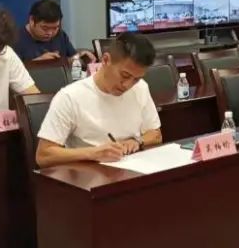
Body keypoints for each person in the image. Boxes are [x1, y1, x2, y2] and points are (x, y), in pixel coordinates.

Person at [35, 33, 163, 167]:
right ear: (106, 60)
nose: (127, 85)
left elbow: (155, 134)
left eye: (136, 79)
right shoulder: (70, 97)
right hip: (89, 172)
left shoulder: (140, 88)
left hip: (132, 168)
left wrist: (137, 141)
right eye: (125, 75)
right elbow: (43, 155)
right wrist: (92, 153)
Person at [14, 0, 94, 64]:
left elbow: (70, 59)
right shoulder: (15, 40)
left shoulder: (60, 35)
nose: (50, 33)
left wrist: (79, 57)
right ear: (32, 20)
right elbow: (12, 73)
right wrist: (36, 63)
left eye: (55, 28)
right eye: (45, 28)